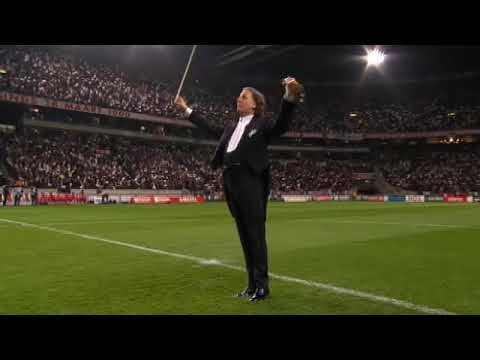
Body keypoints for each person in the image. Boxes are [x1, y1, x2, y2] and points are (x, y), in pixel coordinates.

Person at [175, 77, 303, 301]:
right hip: (231, 182)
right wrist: (186, 109)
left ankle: (263, 287)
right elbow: (209, 128)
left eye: (243, 96)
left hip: (250, 181)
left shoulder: (261, 124)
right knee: (245, 238)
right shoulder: (231, 127)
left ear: (255, 104)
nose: (238, 99)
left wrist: (289, 97)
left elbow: (282, 126)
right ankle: (252, 286)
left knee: (255, 236)